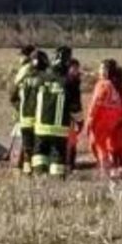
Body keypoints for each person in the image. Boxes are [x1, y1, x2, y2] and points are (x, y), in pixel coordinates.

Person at [31, 46, 82, 177]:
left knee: (39, 154)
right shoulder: (69, 82)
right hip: (59, 129)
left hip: (40, 127)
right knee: (57, 156)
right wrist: (80, 121)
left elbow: (32, 101)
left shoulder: (41, 78)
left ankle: (39, 177)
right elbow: (75, 107)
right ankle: (56, 181)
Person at [87, 58, 122, 179]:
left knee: (99, 145)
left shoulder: (103, 85)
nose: (99, 71)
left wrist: (90, 119)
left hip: (105, 121)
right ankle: (121, 170)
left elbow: (96, 103)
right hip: (119, 122)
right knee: (118, 148)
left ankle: (106, 170)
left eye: (101, 68)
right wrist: (121, 113)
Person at [12, 47, 46, 174]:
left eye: (21, 56)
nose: (19, 58)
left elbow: (13, 94)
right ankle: (37, 171)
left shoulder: (25, 73)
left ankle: (26, 169)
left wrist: (20, 108)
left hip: (25, 116)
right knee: (36, 148)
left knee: (27, 146)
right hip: (38, 118)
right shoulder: (44, 77)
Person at [66, 58, 84, 171]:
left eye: (77, 68)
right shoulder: (71, 83)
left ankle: (70, 163)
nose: (77, 71)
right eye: (74, 68)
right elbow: (75, 104)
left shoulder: (75, 82)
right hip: (68, 117)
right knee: (70, 142)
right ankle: (69, 164)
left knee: (70, 141)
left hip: (69, 118)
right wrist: (80, 120)